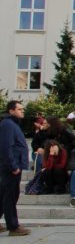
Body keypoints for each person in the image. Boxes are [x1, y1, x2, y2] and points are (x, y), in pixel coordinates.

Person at [0, 100, 30, 236]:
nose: (22, 111)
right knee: (11, 196)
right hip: (11, 167)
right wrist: (13, 166)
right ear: (11, 111)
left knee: (4, 195)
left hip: (14, 165)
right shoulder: (8, 125)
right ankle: (13, 226)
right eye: (19, 109)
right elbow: (6, 147)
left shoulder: (13, 124)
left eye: (22, 109)